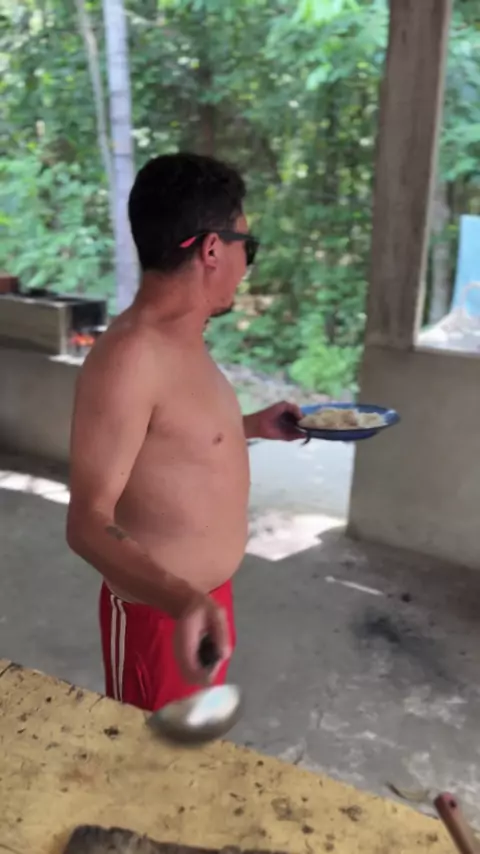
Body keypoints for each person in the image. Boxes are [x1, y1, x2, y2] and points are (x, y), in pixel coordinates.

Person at [67, 152, 302, 712]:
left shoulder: (184, 340)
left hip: (200, 607)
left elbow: (173, 440)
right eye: (248, 246)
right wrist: (181, 600)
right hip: (158, 618)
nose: (247, 265)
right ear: (212, 249)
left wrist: (252, 427)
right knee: (145, 758)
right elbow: (86, 523)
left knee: (189, 757)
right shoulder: (130, 357)